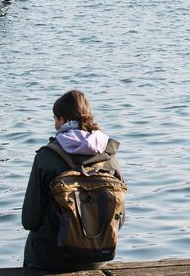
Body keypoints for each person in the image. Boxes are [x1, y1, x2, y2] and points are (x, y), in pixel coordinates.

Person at [22, 90, 123, 270]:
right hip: (98, 257)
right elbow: (120, 219)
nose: (55, 125)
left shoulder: (47, 156)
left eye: (55, 119)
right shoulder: (109, 155)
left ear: (62, 120)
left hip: (51, 259)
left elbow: (30, 220)